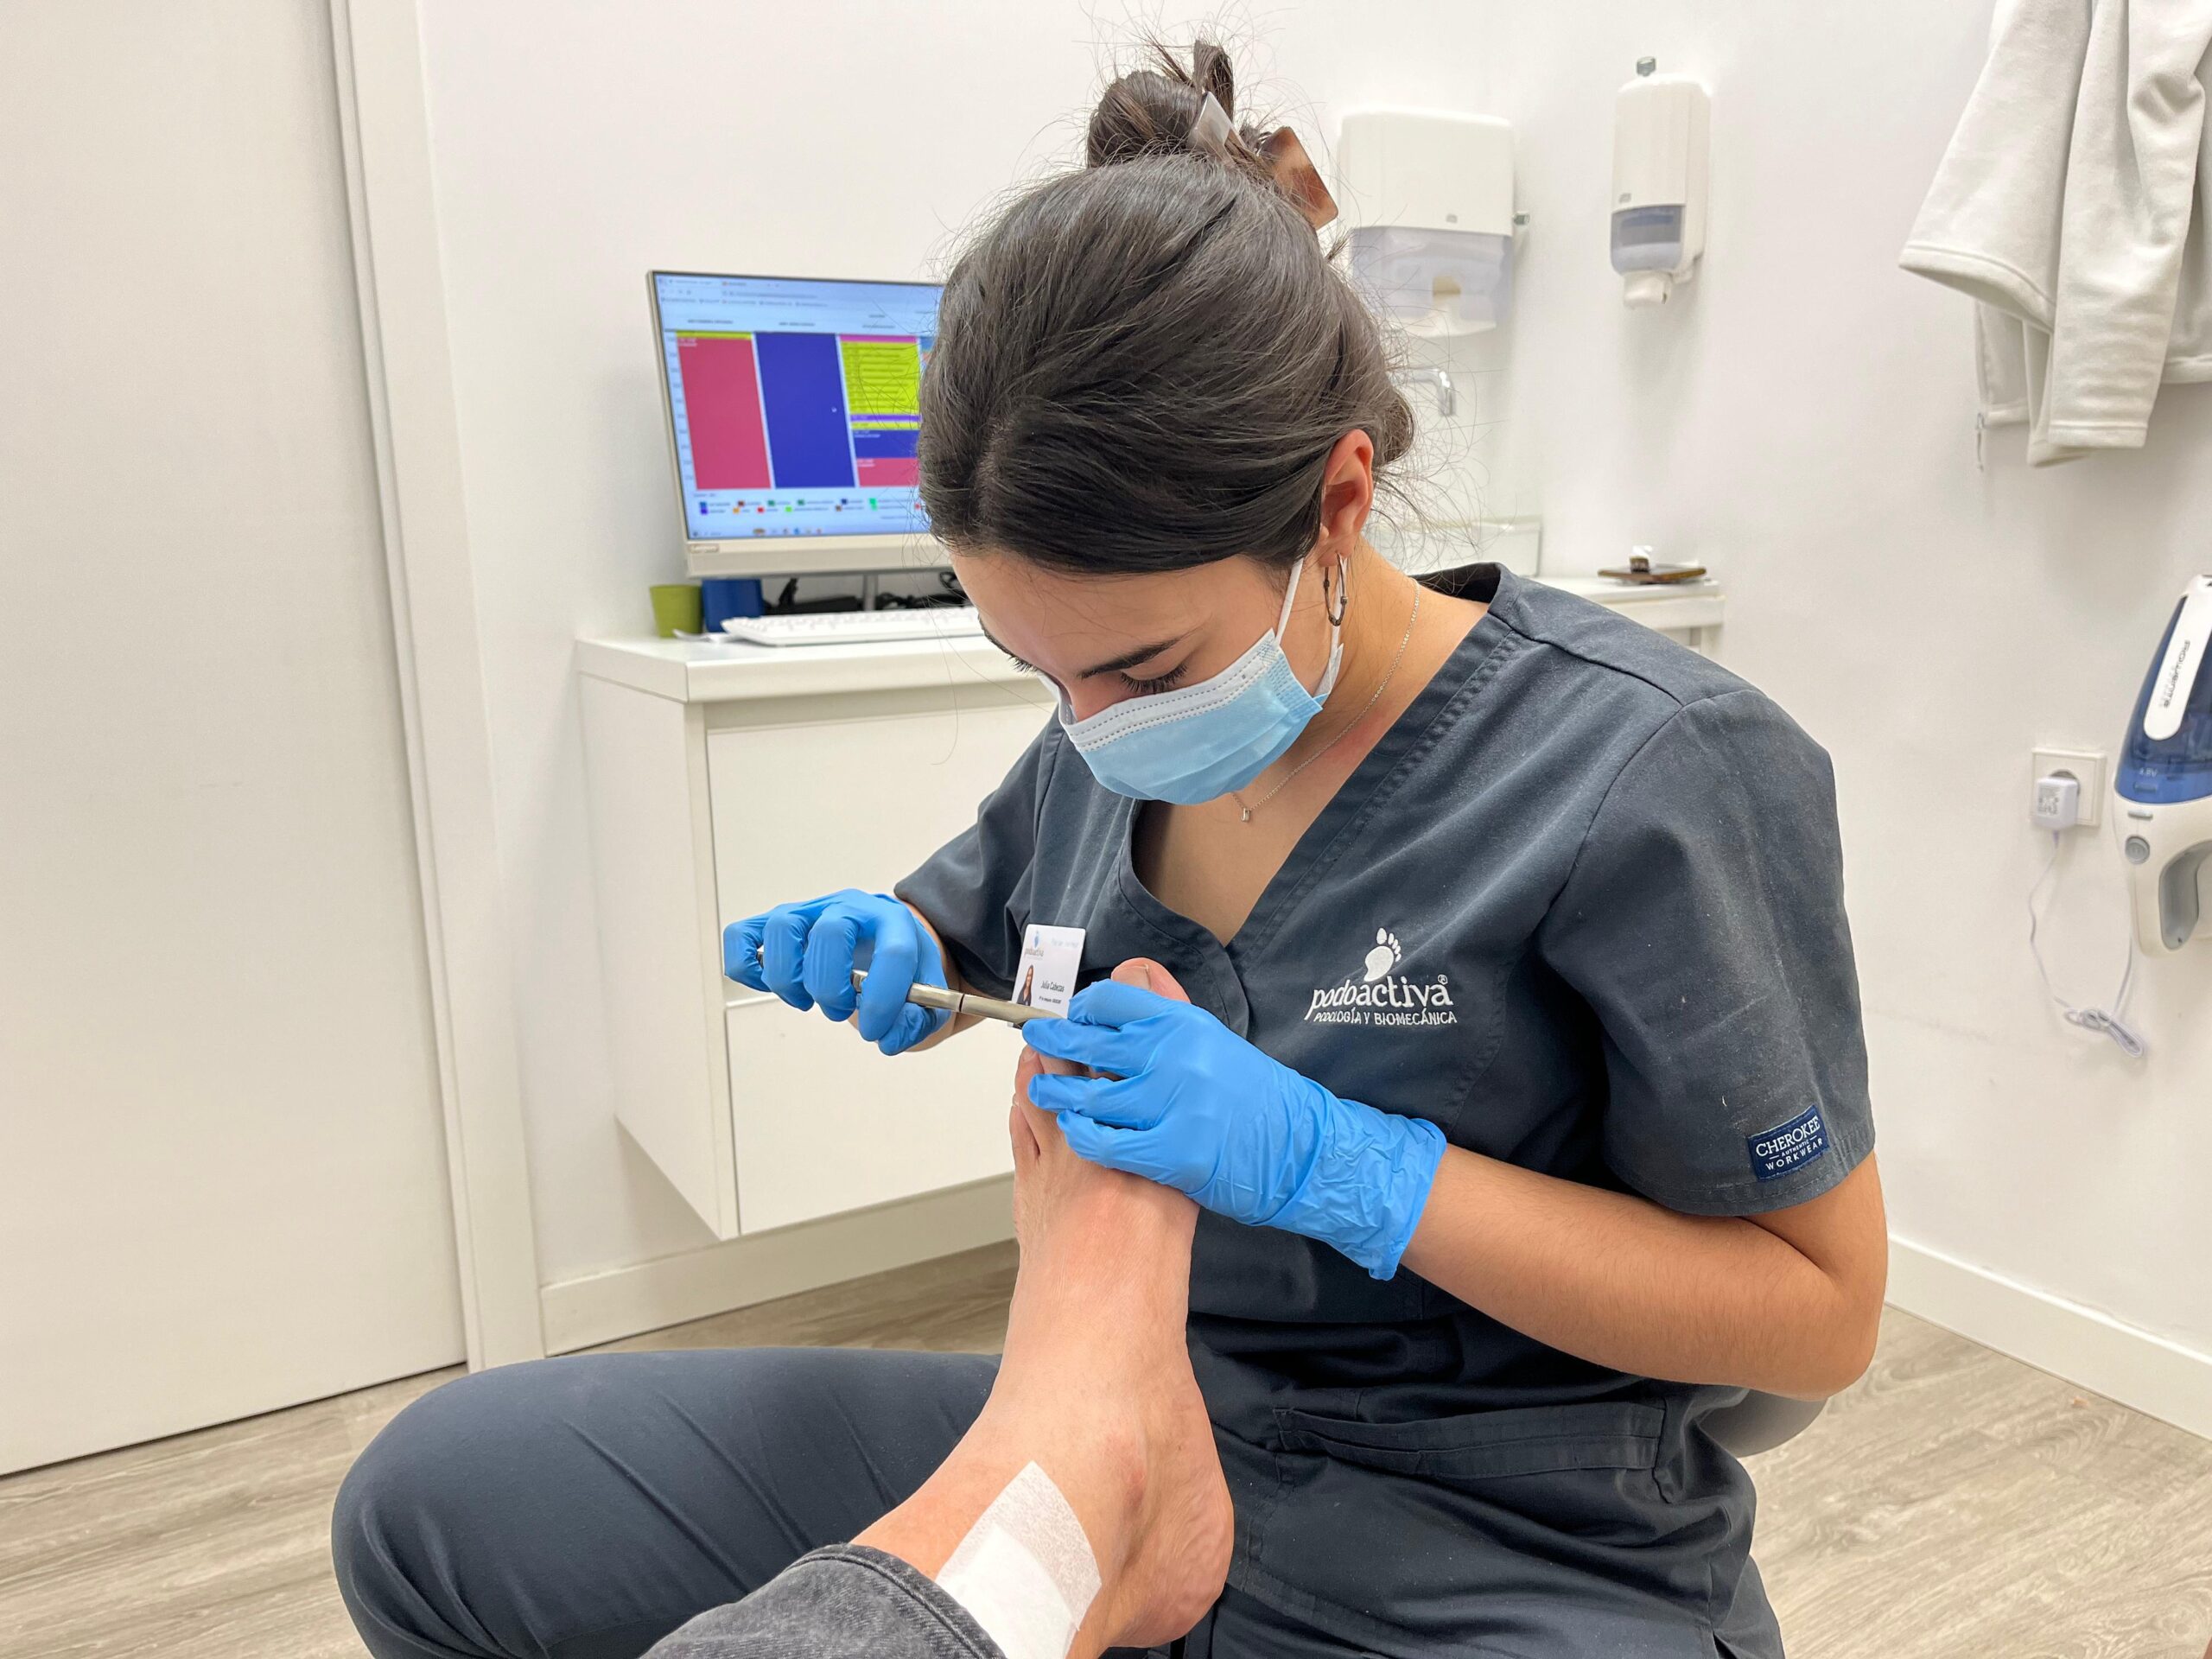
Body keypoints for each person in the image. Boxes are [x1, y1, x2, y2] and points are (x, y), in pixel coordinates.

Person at [334, 40, 1886, 1659]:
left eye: (1140, 669)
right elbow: (990, 924)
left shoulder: (1649, 768)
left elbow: (1818, 1314)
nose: (1089, 727)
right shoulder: (1114, 736)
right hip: (1129, 1402)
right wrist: (906, 955)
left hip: (1500, 1531)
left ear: (1338, 502)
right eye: (1038, 669)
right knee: (441, 1507)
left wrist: (1346, 1166)